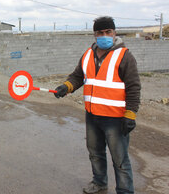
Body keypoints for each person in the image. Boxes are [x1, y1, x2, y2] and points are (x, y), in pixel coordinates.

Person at [54, 16, 141, 194]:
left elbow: (134, 88)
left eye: (108, 32)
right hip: (92, 115)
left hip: (115, 119)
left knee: (120, 160)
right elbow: (78, 76)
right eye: (100, 32)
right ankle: (99, 183)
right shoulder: (88, 54)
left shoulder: (125, 56)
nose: (104, 35)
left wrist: (130, 114)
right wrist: (66, 87)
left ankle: (125, 191)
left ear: (114, 32)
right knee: (95, 153)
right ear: (94, 35)